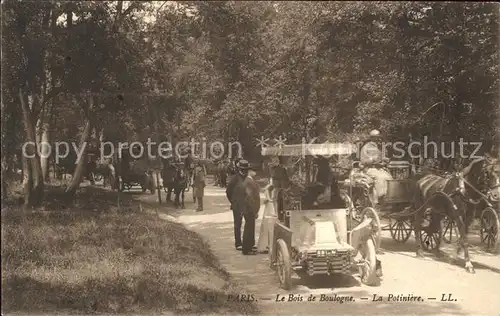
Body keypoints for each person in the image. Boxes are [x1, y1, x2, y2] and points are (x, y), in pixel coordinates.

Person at [232, 160, 260, 255]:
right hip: (249, 209)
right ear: (249, 171)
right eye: (253, 171)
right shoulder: (248, 182)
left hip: (250, 209)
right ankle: (246, 249)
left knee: (250, 228)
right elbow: (250, 198)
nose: (255, 172)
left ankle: (249, 246)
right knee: (248, 228)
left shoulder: (249, 181)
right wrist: (254, 210)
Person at [226, 158, 247, 251]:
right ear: (239, 169)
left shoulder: (248, 178)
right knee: (237, 224)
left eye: (246, 169)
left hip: (247, 205)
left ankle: (247, 242)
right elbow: (228, 191)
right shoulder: (235, 178)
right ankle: (238, 243)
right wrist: (233, 201)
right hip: (237, 205)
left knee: (248, 224)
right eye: (242, 169)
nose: (244, 171)